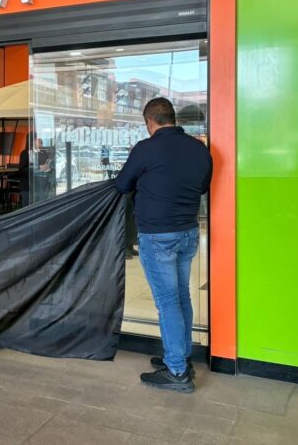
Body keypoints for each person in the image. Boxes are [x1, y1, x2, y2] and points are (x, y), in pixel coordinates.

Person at [115, 97, 213, 393]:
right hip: (188, 233)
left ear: (150, 122)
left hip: (158, 236)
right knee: (181, 296)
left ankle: (177, 371)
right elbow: (203, 187)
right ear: (173, 118)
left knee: (168, 301)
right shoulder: (199, 149)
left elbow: (122, 185)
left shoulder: (146, 149)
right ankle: (180, 356)